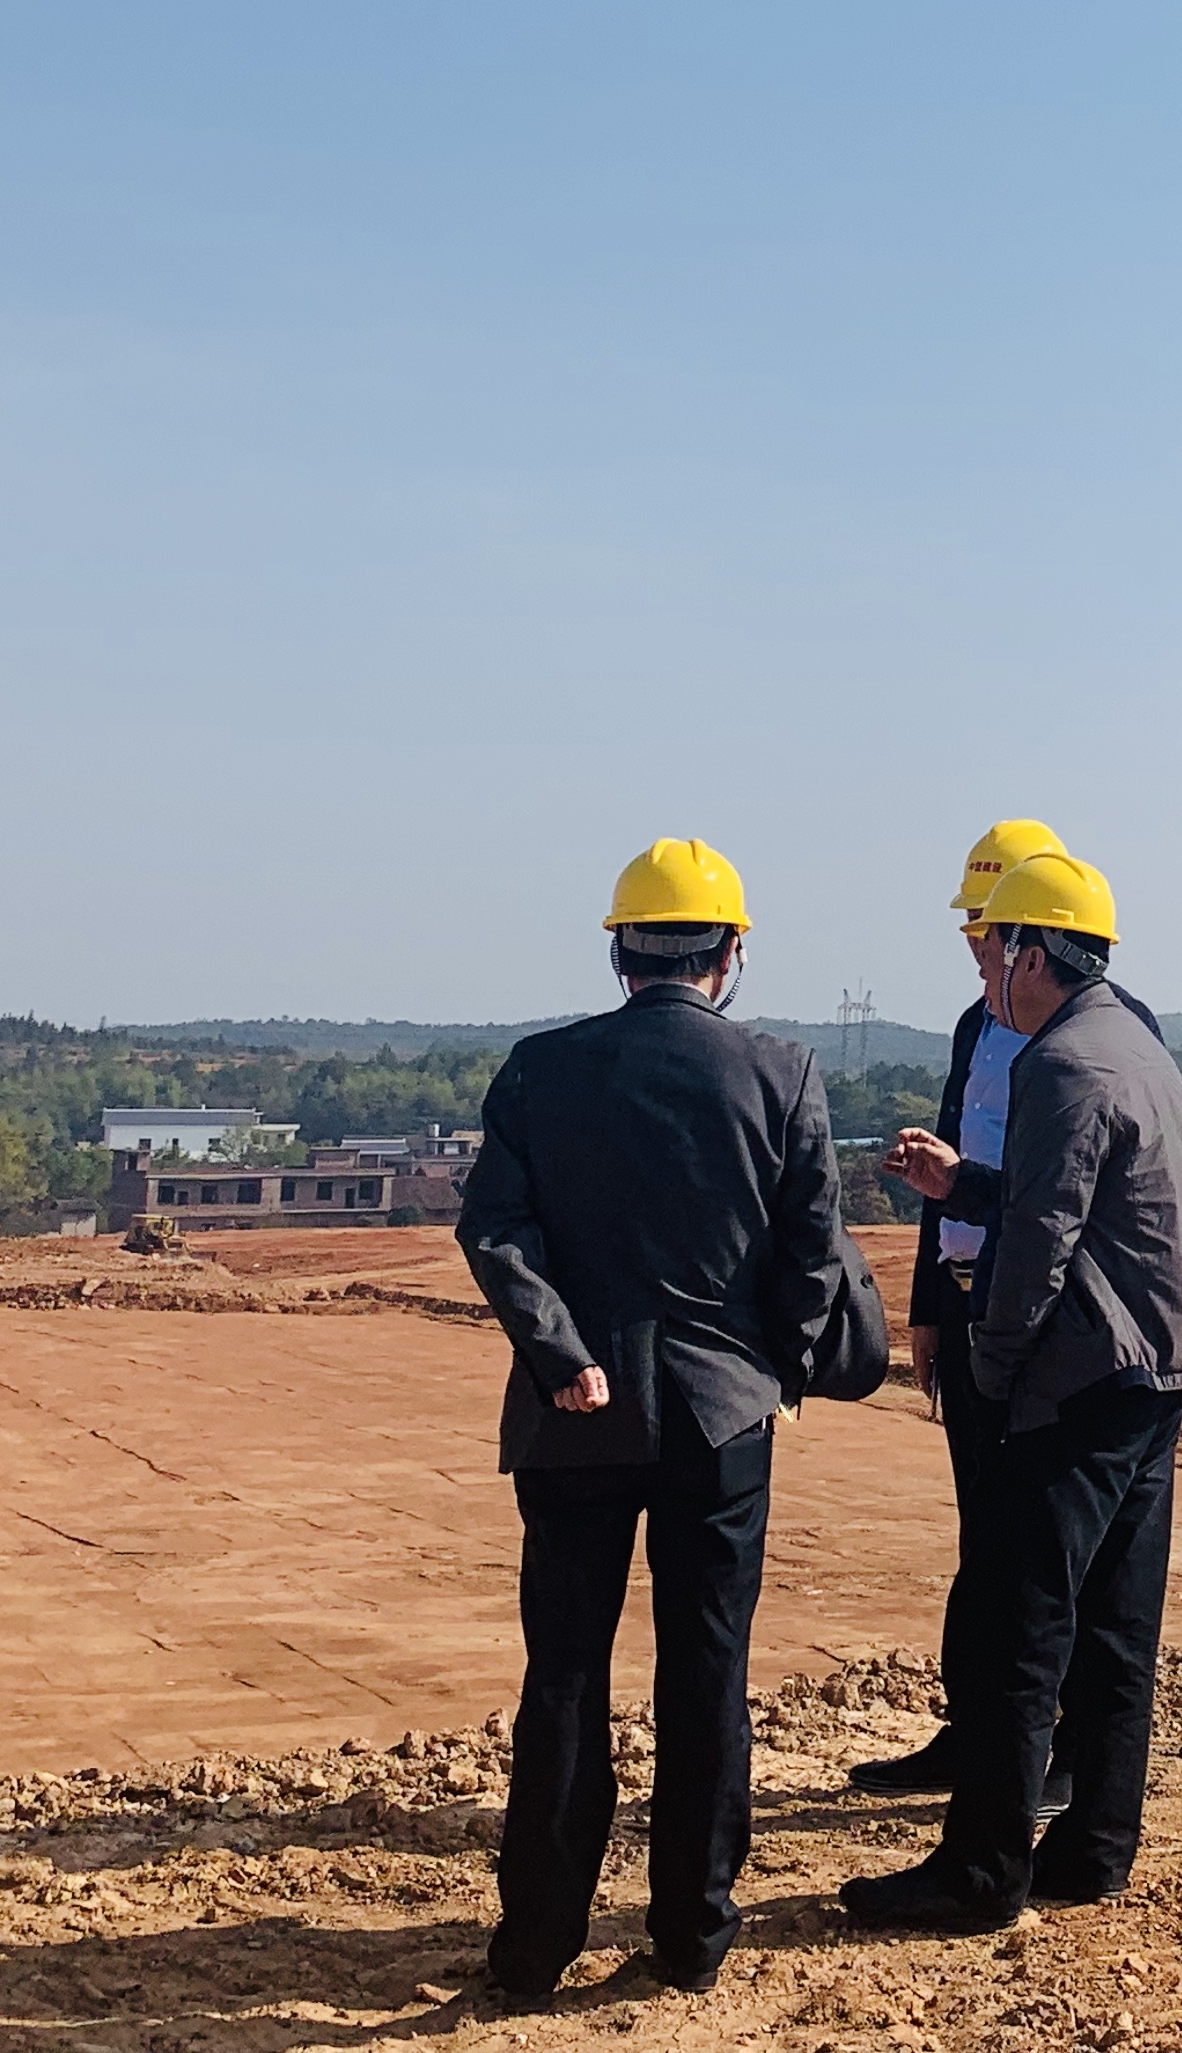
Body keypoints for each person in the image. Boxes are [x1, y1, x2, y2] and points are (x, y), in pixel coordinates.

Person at [458, 837, 886, 1996]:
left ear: (618, 950)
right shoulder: (781, 1074)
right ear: (731, 953)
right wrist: (778, 1376)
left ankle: (535, 1944)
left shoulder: (540, 1072)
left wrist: (561, 1353)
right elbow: (811, 1260)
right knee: (708, 1675)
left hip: (572, 1416)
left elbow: (495, 1231)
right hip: (721, 1421)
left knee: (563, 1680)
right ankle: (691, 1936)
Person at [843, 848, 1182, 1933]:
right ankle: (1094, 1847)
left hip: (1075, 1380)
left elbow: (1043, 1248)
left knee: (1020, 1624)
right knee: (1116, 1624)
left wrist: (994, 1375)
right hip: (1152, 1374)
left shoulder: (1059, 1063)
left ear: (1033, 951)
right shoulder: (1131, 1042)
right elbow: (1072, 1199)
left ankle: (982, 1872)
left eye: (993, 942)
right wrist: (964, 1184)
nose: (984, 964)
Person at [846, 813, 1058, 1801]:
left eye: (990, 925)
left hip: (1047, 1324)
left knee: (1045, 1544)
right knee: (985, 1536)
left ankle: (1048, 1749)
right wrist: (929, 1308)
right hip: (970, 1312)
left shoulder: (1083, 1036)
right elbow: (947, 1184)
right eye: (972, 926)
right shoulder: (976, 1029)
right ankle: (971, 1729)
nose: (975, 944)